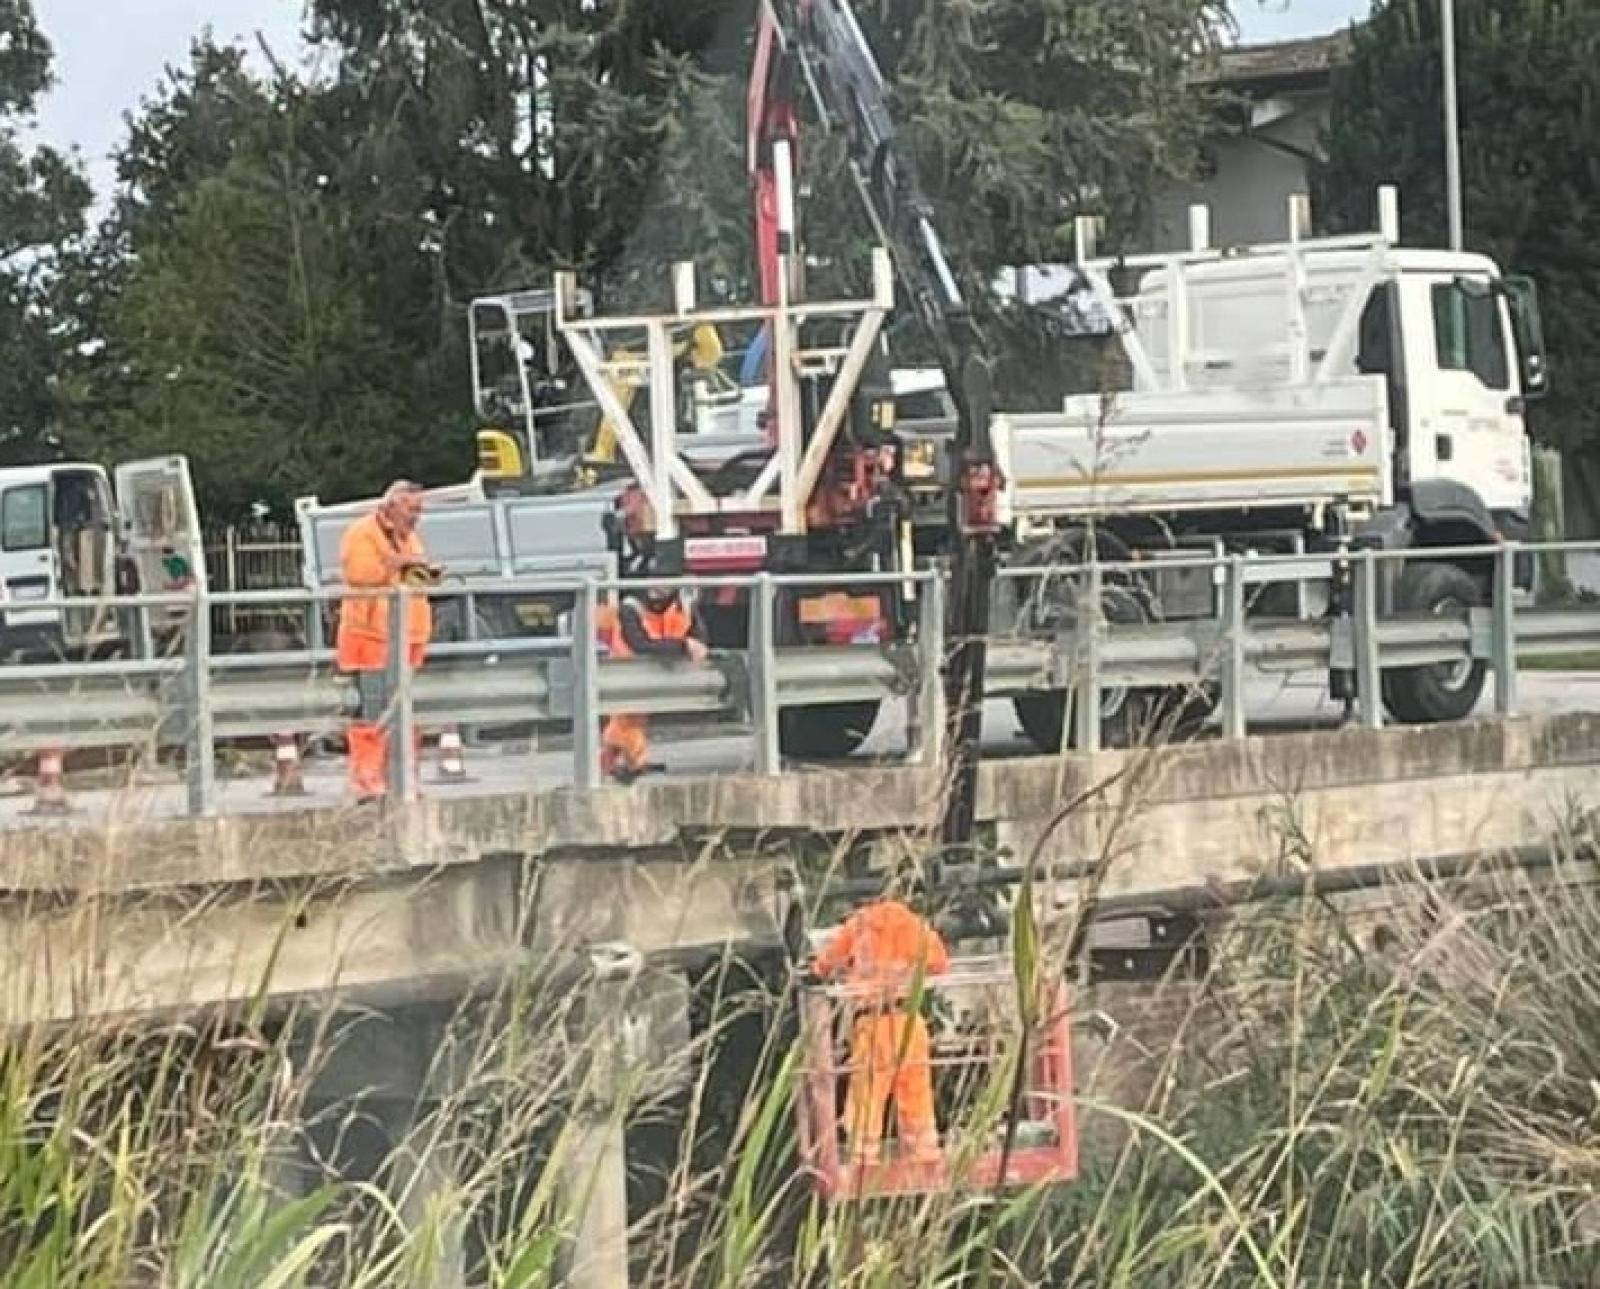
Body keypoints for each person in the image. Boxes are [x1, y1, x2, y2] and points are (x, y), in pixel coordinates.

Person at [813, 895, 951, 1167]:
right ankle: (924, 1154)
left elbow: (825, 965)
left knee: (868, 1094)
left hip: (873, 1022)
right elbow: (940, 964)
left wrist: (822, 968)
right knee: (916, 1090)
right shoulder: (914, 925)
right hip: (910, 1022)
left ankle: (863, 1159)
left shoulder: (859, 926)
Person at [336, 481, 435, 800]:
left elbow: (409, 575)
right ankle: (367, 780)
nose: (416, 517)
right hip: (370, 636)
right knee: (372, 712)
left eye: (419, 510)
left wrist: (423, 572)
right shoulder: (361, 533)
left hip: (409, 635)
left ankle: (403, 779)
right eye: (411, 510)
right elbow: (361, 574)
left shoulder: (409, 537)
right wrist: (400, 563)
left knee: (405, 713)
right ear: (391, 506)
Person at [600, 585, 709, 783]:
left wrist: (690, 645)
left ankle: (616, 763)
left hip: (656, 672)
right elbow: (639, 644)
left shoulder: (683, 605)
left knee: (630, 721)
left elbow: (699, 638)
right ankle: (631, 763)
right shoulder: (631, 607)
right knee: (625, 722)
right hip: (627, 671)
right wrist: (683, 646)